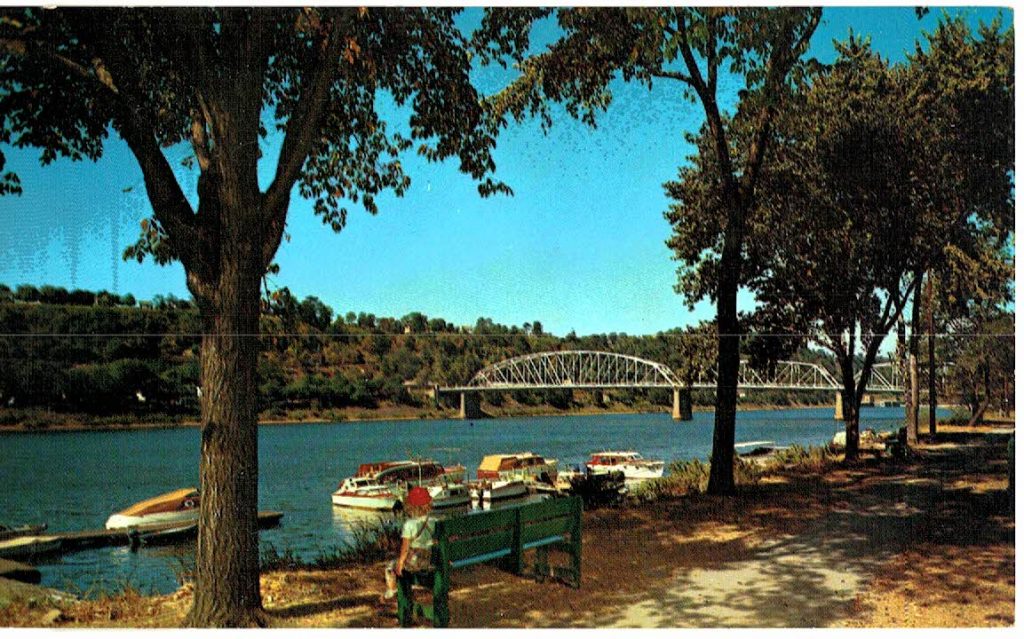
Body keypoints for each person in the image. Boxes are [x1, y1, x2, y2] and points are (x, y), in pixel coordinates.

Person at [382, 486, 435, 602]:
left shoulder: (409, 524)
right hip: (431, 560)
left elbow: (405, 548)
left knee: (390, 566)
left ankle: (392, 590)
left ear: (411, 506)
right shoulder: (434, 521)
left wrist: (400, 562)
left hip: (414, 563)